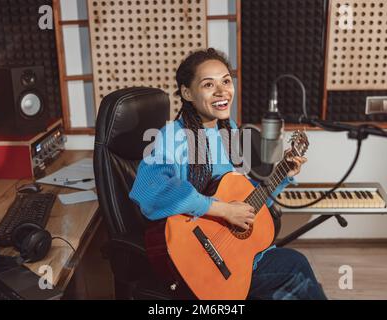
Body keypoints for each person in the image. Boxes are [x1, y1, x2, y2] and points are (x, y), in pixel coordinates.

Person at [129, 48, 327, 300]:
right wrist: (221, 209)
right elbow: (149, 191)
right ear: (187, 93)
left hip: (232, 255)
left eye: (225, 81)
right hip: (196, 260)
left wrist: (283, 173)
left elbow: (245, 203)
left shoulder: (227, 130)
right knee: (295, 267)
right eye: (208, 84)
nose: (222, 91)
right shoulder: (173, 136)